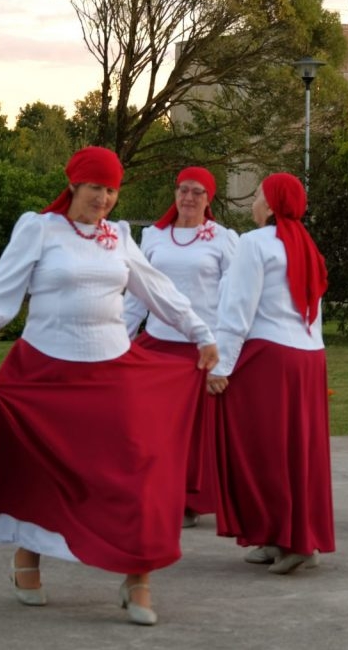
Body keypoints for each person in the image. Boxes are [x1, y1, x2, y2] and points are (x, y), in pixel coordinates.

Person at [0, 146, 219, 626]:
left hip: (111, 369)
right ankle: (27, 556)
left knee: (136, 465)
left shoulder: (120, 237)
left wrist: (201, 332)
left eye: (112, 189)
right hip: (45, 371)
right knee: (37, 468)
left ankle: (138, 576)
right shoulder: (40, 228)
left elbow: (157, 289)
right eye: (96, 187)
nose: (104, 199)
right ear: (73, 185)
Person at [207, 172, 335, 575]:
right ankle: (275, 533)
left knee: (261, 452)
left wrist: (220, 366)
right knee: (297, 450)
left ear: (273, 204)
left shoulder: (255, 242)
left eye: (259, 195)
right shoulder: (306, 244)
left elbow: (238, 310)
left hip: (269, 358)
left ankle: (292, 539)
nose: (254, 202)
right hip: (307, 358)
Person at [123, 166, 238, 529]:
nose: (188, 198)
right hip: (157, 344)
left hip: (201, 347)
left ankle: (188, 500)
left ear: (209, 199)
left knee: (192, 431)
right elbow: (137, 294)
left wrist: (223, 351)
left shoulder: (223, 239)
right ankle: (153, 492)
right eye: (183, 190)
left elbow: (234, 298)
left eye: (197, 192)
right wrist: (121, 341)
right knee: (152, 424)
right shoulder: (153, 237)